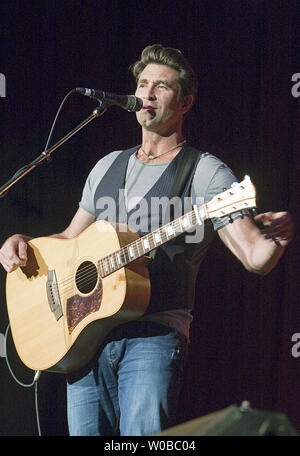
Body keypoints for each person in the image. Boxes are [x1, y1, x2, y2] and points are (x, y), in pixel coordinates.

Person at [0, 44, 294, 436]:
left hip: (153, 336)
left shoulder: (205, 172)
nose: (148, 94)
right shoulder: (107, 165)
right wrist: (23, 243)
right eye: (142, 84)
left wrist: (275, 239)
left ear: (185, 101)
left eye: (162, 86)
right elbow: (68, 238)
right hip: (85, 335)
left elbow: (254, 255)